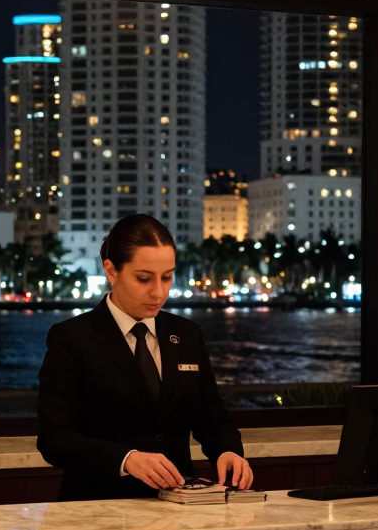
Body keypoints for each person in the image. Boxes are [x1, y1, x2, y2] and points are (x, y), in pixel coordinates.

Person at [37, 214, 253, 501]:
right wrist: (126, 459)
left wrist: (228, 451)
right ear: (111, 271)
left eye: (167, 277)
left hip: (178, 504)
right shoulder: (72, 337)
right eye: (144, 278)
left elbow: (212, 417)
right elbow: (54, 439)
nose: (158, 292)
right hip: (98, 504)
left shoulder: (186, 333)